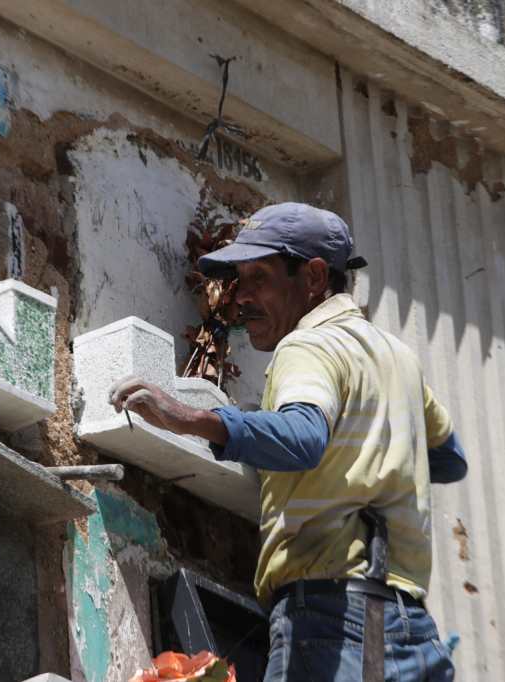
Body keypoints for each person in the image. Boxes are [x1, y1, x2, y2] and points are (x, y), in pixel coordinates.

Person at [109, 202, 466, 682]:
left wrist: (188, 417)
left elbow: (303, 437)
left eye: (260, 278)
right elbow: (448, 458)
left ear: (315, 277)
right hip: (405, 627)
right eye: (239, 281)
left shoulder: (308, 346)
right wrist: (374, 462)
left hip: (331, 623)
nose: (241, 299)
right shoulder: (397, 357)